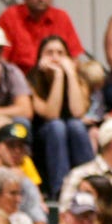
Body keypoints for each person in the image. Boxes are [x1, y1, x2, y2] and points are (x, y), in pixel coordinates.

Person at [26, 34, 96, 200]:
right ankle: (61, 191)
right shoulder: (32, 80)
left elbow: (78, 112)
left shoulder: (79, 79)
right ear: (40, 57)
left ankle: (92, 183)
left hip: (72, 135)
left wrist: (70, 74)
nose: (55, 57)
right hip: (44, 139)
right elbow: (51, 114)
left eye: (60, 53)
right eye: (49, 53)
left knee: (76, 125)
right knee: (57, 126)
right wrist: (58, 76)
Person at [0, 0, 86, 75]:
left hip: (54, 77)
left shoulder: (61, 17)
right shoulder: (10, 16)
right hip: (20, 78)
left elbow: (74, 58)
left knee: (94, 72)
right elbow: (1, 58)